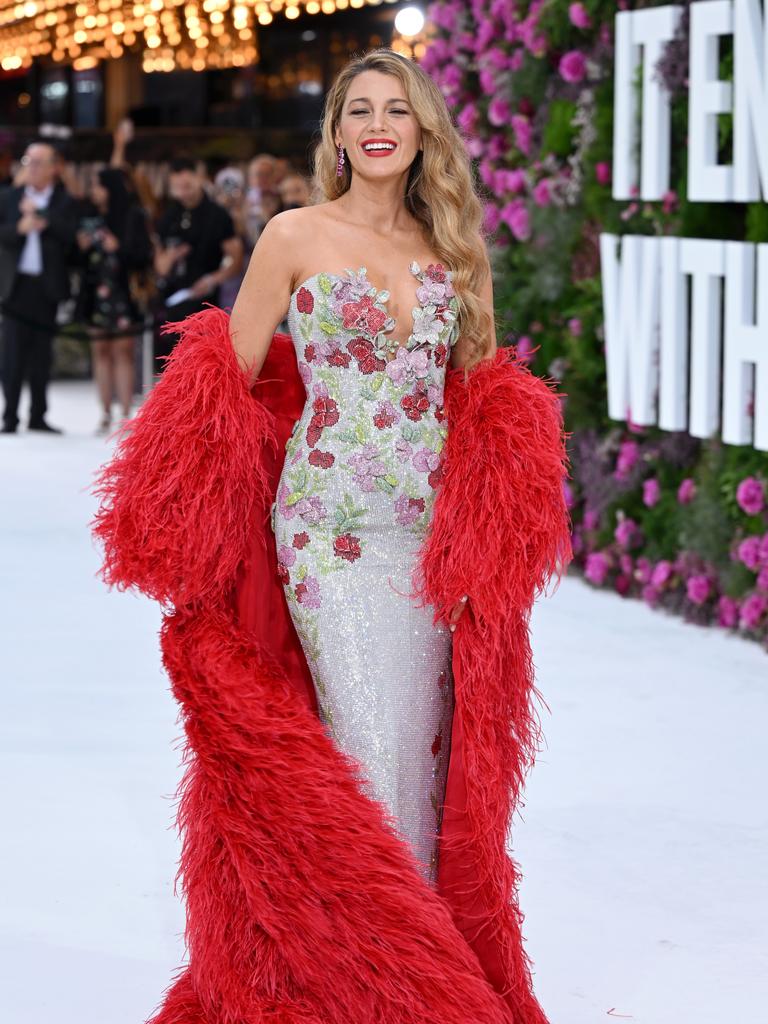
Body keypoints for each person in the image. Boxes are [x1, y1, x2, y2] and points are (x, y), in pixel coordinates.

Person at [91, 48, 572, 1024]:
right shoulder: (294, 235)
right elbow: (220, 386)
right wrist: (194, 530)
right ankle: (370, 993)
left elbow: (474, 399)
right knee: (361, 753)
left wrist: (499, 518)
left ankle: (406, 971)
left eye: (397, 107)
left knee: (424, 762)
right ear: (339, 133)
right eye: (360, 109)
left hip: (427, 546)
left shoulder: (452, 249)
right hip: (328, 540)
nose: (378, 124)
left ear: (422, 127)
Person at [0, 140, 78, 434]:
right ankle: (9, 416)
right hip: (15, 285)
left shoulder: (64, 201)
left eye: (37, 162)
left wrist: (42, 216)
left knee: (41, 355)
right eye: (27, 161)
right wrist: (19, 228)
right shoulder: (9, 197)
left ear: (53, 168)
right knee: (11, 354)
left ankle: (38, 415)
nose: (30, 167)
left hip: (47, 287)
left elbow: (72, 237)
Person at [74, 166, 153, 434]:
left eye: (98, 185)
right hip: (95, 292)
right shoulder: (90, 216)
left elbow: (143, 256)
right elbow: (74, 259)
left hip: (122, 293)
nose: (94, 191)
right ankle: (105, 412)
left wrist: (117, 248)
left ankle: (124, 413)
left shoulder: (132, 216)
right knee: (100, 351)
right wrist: (81, 248)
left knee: (123, 352)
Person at [152, 155, 243, 363]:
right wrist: (172, 256)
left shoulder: (217, 215)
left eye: (187, 184)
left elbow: (235, 258)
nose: (183, 190)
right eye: (178, 185)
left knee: (203, 363)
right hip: (171, 302)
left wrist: (213, 279)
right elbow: (160, 265)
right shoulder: (168, 216)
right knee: (172, 364)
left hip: (205, 304)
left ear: (199, 178)